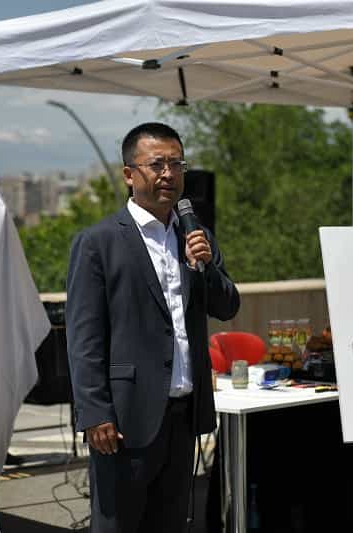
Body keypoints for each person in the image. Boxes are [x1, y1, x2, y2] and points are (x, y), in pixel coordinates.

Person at [66, 122, 240, 533]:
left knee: (170, 524)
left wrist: (206, 267)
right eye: (157, 164)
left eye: (176, 164)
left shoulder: (195, 235)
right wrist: (94, 412)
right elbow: (84, 337)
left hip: (183, 415)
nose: (168, 174)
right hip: (124, 419)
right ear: (130, 174)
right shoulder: (98, 242)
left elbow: (227, 306)